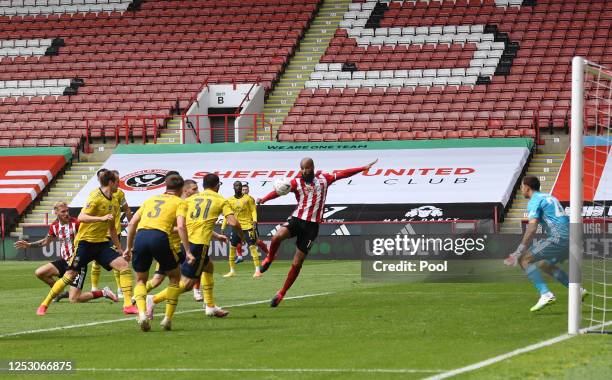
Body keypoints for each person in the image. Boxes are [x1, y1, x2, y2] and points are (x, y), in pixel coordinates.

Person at [257, 157, 378, 307]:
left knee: (297, 262)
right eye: (301, 168)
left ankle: (282, 293)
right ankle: (270, 258)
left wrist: (363, 168)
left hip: (311, 227)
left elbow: (343, 174)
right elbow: (278, 192)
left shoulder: (324, 180)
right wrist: (264, 199)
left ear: (312, 168)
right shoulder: (296, 182)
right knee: (276, 237)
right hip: (297, 219)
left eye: (306, 168)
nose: (303, 171)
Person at [36, 170, 137, 316]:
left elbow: (112, 228)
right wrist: (101, 219)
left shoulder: (115, 201)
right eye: (117, 181)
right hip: (85, 243)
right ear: (110, 183)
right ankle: (44, 304)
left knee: (124, 266)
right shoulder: (95, 196)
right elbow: (82, 216)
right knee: (70, 275)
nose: (119, 183)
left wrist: (120, 248)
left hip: (102, 244)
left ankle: (127, 305)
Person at [147, 174, 243, 318]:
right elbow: (234, 223)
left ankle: (210, 306)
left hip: (185, 241)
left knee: (209, 267)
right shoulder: (220, 199)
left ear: (203, 185)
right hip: (198, 244)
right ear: (217, 185)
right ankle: (153, 300)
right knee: (187, 284)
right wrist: (242, 236)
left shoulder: (191, 199)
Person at [504, 176, 586, 311]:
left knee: (524, 260)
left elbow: (531, 228)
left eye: (521, 187)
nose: (521, 190)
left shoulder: (534, 201)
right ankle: (577, 291)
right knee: (544, 264)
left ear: (527, 187)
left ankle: (546, 294)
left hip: (559, 237)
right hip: (573, 237)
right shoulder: (548, 197)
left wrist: (518, 251)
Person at [126, 173, 192, 331]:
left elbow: (132, 223)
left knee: (141, 280)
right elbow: (181, 227)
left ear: (165, 186)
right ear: (181, 188)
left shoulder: (151, 199)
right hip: (159, 237)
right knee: (175, 278)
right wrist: (188, 251)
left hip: (141, 237)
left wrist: (128, 247)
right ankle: (167, 319)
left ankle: (142, 313)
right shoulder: (180, 202)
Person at [15, 202, 117, 304]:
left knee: (74, 299)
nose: (66, 213)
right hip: (64, 262)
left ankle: (104, 292)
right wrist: (29, 245)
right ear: (56, 213)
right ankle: (60, 292)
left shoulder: (76, 223)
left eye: (67, 211)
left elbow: (90, 236)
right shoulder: (54, 226)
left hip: (77, 263)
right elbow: (46, 241)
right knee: (40, 273)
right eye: (63, 211)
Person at [144, 179, 224, 302]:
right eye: (194, 189)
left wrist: (217, 236)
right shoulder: (179, 204)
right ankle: (144, 298)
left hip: (183, 247)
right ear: (185, 190)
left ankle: (207, 302)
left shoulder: (190, 203)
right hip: (173, 248)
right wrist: (182, 229)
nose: (197, 192)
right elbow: (170, 228)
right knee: (159, 280)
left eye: (197, 189)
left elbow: (195, 224)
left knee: (207, 266)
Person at [91, 170, 133, 300]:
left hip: (115, 231)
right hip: (101, 233)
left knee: (117, 260)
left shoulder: (119, 193)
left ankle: (120, 289)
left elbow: (126, 209)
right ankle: (94, 287)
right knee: (96, 261)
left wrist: (132, 224)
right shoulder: (95, 195)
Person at [223, 181, 262, 278]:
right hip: (236, 227)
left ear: (241, 188)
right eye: (236, 185)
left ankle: (257, 270)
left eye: (239, 186)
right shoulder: (229, 200)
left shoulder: (248, 198)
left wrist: (255, 221)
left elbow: (253, 210)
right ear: (233, 187)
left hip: (248, 226)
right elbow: (227, 214)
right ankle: (232, 271)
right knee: (232, 247)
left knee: (252, 246)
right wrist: (223, 226)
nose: (238, 187)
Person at [232, 182, 268, 264]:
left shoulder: (250, 199)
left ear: (248, 190)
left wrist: (254, 221)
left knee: (257, 241)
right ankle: (240, 256)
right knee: (238, 240)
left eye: (246, 189)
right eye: (243, 189)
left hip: (250, 224)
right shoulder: (237, 199)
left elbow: (253, 211)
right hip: (240, 224)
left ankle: (269, 254)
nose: (244, 191)